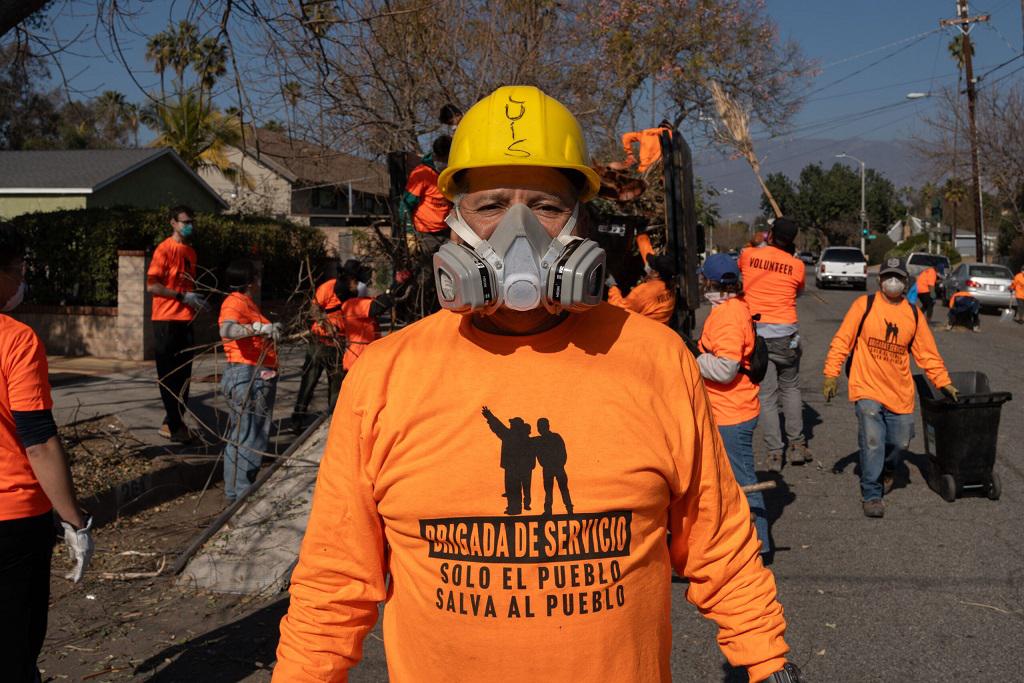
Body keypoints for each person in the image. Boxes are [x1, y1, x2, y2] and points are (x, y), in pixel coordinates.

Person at [275, 85, 796, 683]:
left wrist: (767, 661)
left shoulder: (654, 359)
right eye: (492, 205)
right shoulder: (386, 376)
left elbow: (719, 539)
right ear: (456, 222)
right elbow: (335, 578)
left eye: (546, 207)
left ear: (580, 221)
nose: (518, 230)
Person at [0, 222, 93, 682]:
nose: (21, 280)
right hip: (12, 519)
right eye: (17, 269)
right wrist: (75, 521)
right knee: (15, 644)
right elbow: (36, 439)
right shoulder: (15, 340)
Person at [823, 258, 957, 518]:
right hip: (866, 386)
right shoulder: (864, 305)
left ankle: (887, 469)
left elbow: (927, 354)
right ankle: (872, 493)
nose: (892, 282)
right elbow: (842, 341)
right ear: (879, 280)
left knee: (900, 441)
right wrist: (831, 373)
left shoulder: (913, 314)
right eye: (887, 277)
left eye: (897, 277)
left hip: (899, 391)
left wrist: (943, 381)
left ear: (906, 282)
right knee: (873, 441)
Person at [696, 254, 770, 559]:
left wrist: (694, 358)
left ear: (712, 283)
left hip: (732, 411)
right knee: (736, 479)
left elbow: (726, 369)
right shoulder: (735, 307)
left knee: (743, 480)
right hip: (732, 408)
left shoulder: (728, 316)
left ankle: (760, 546)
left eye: (706, 281)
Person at [738, 216, 811, 472]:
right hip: (786, 334)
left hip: (758, 335)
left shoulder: (748, 255)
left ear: (770, 233)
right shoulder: (797, 265)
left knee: (767, 396)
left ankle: (774, 452)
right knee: (790, 388)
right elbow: (798, 292)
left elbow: (743, 266)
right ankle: (798, 445)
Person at [218, 259, 281, 502]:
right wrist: (258, 328)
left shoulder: (244, 302)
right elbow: (227, 330)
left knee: (242, 435)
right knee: (249, 437)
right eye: (256, 276)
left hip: (250, 374)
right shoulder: (235, 302)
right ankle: (241, 494)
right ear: (250, 280)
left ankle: (236, 492)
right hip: (249, 375)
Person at [147, 205, 208, 443]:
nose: (189, 225)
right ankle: (175, 425)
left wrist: (195, 301)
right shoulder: (164, 250)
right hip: (165, 319)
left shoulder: (191, 253)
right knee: (169, 374)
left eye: (191, 221)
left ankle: (172, 421)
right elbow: (152, 286)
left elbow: (187, 285)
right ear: (173, 223)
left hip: (185, 319)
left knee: (184, 376)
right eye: (184, 221)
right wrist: (182, 297)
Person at [399, 135, 454, 255]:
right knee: (427, 269)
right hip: (426, 233)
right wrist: (409, 232)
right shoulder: (421, 174)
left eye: (447, 160)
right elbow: (406, 204)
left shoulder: (452, 172)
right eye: (442, 159)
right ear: (436, 156)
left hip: (447, 229)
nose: (444, 163)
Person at [605, 232, 676, 324]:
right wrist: (641, 236)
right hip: (660, 327)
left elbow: (619, 309)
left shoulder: (644, 291)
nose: (647, 265)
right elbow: (647, 253)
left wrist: (612, 287)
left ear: (655, 272)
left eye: (650, 265)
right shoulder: (668, 283)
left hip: (644, 329)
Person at [481, 407, 536, 515]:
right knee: (514, 488)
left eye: (512, 424)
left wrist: (489, 416)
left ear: (516, 426)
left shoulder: (509, 435)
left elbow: (498, 427)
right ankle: (514, 507)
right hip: (520, 468)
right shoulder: (524, 438)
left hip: (513, 468)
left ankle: (514, 508)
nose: (510, 426)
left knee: (513, 488)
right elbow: (498, 427)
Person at [533, 417, 573, 516]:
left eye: (540, 427)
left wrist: (556, 464)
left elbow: (563, 453)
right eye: (539, 427)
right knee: (553, 490)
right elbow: (563, 453)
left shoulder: (551, 438)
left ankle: (565, 509)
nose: (539, 429)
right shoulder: (551, 438)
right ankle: (565, 510)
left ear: (546, 427)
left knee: (555, 490)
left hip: (554, 468)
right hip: (552, 468)